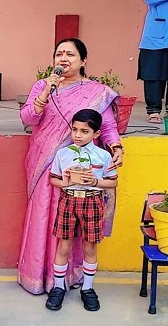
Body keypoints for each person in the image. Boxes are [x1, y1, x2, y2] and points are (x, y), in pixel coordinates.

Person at [18, 38, 124, 295]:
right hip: (48, 166)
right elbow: (28, 118)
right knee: (46, 217)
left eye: (70, 55)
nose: (63, 59)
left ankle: (71, 278)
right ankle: (41, 277)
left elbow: (107, 126)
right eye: (59, 54)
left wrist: (117, 147)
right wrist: (46, 92)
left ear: (83, 61)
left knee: (75, 226)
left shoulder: (96, 92)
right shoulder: (43, 86)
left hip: (83, 170)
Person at [45, 109, 118, 312]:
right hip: (68, 201)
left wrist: (94, 181)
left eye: (84, 131)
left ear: (95, 134)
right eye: (74, 129)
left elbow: (113, 182)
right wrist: (65, 181)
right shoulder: (63, 153)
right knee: (64, 246)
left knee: (90, 247)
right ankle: (58, 288)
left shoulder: (103, 156)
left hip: (92, 202)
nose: (77, 135)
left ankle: (87, 289)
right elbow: (53, 179)